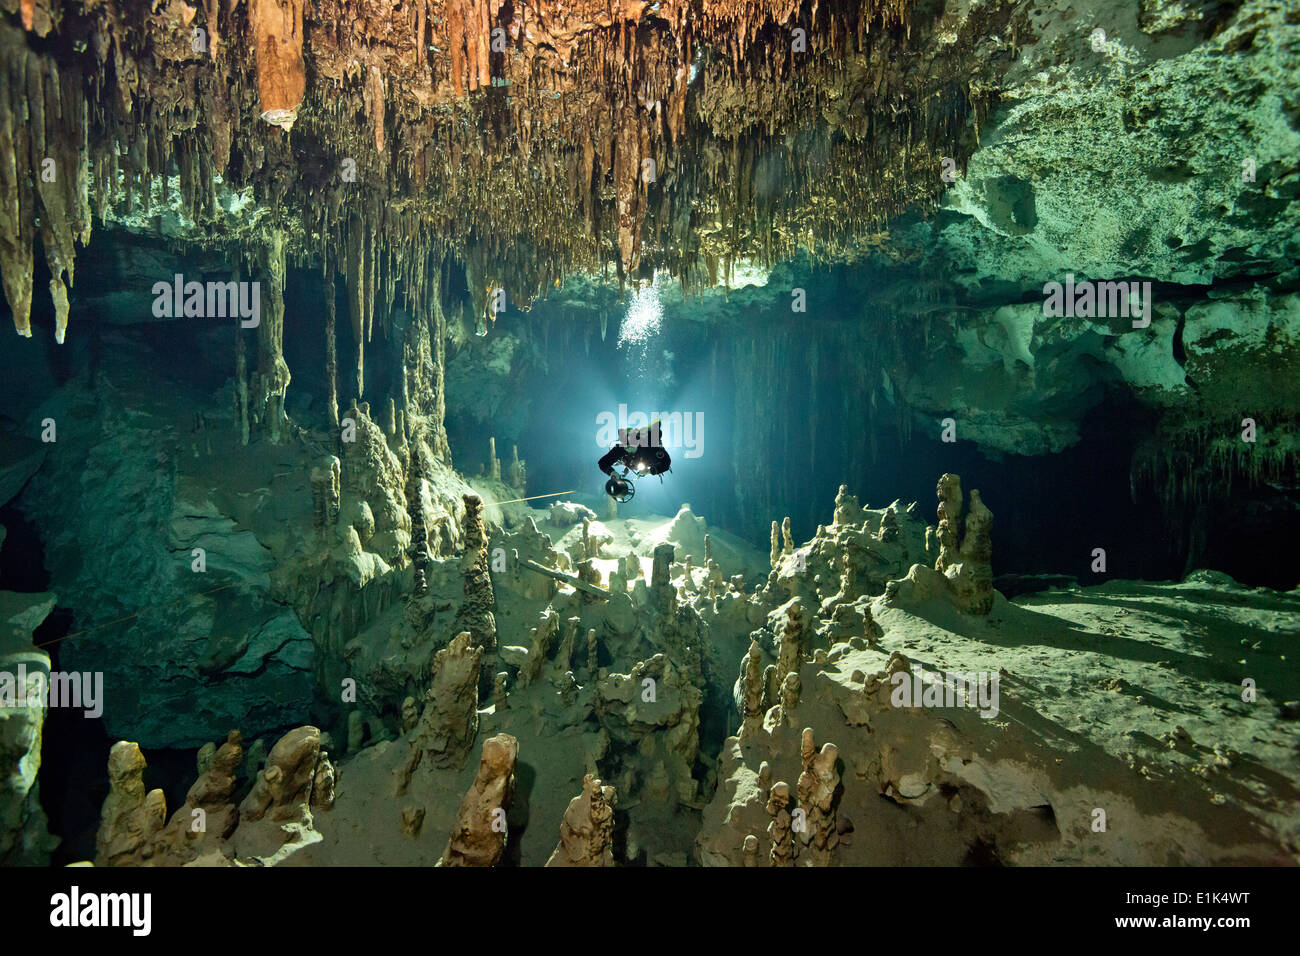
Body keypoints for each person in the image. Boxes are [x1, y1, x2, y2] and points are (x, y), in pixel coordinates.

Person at [598, 420, 671, 501]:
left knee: (654, 433)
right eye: (625, 445)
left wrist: (650, 471)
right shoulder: (620, 448)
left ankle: (649, 429)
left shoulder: (651, 447)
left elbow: (666, 463)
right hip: (635, 459)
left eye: (629, 444)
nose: (627, 448)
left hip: (647, 453)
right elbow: (602, 462)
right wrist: (611, 472)